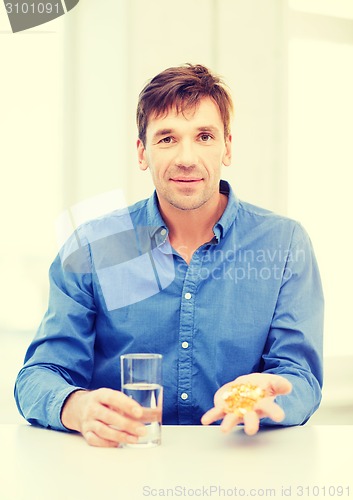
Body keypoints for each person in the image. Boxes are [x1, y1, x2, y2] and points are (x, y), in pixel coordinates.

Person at [15, 63, 324, 447]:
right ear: (142, 151)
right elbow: (39, 376)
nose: (186, 158)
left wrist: (270, 393)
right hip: (118, 468)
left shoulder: (284, 243)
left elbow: (301, 378)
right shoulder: (93, 246)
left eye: (204, 136)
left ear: (227, 146)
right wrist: (77, 407)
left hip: (239, 467)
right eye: (166, 139)